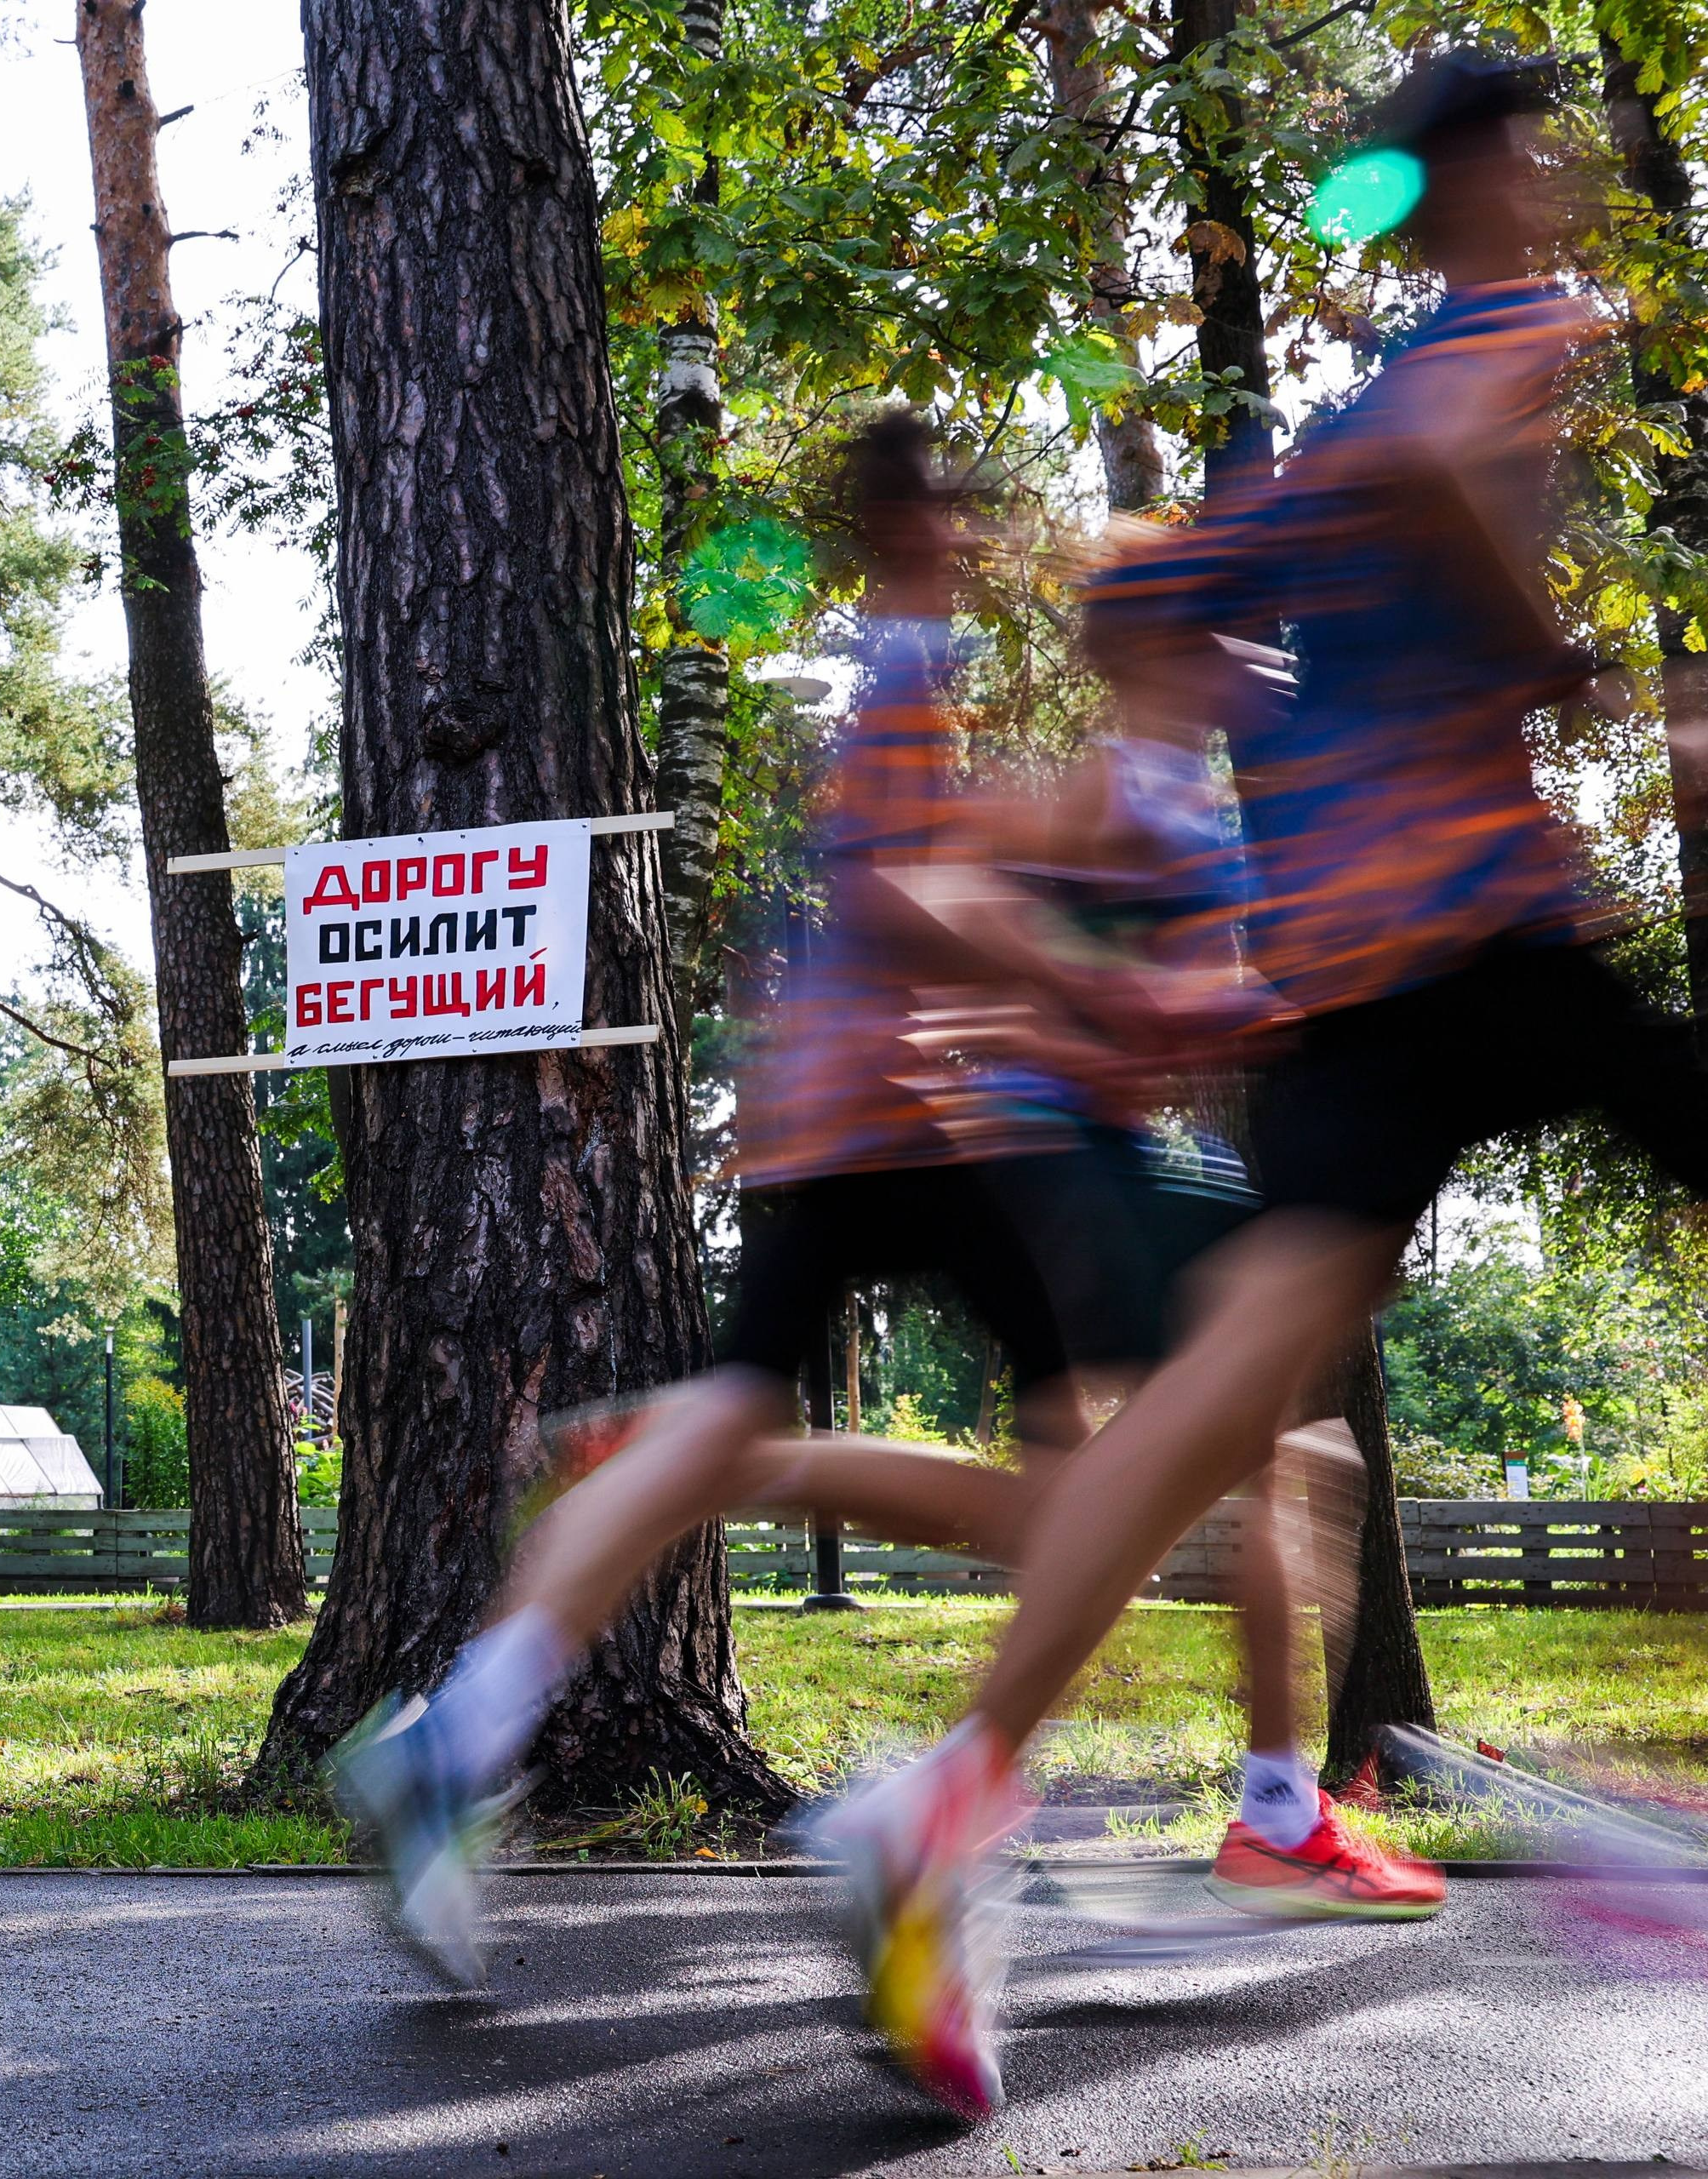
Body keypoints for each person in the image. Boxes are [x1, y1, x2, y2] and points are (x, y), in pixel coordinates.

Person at [823, 47, 1708, 2116]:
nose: (1569, 182)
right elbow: (1417, 478)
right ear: (1485, 175)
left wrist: (1242, 708)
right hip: (1479, 936)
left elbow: (1181, 590)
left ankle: (948, 1789)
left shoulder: (1330, 413)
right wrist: (1554, 654)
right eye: (1547, 149)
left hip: (1342, 980)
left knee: (1238, 1397)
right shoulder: (1502, 337)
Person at [330, 417, 1384, 2107]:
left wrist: (1130, 961)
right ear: (918, 519)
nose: (978, 537)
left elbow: (981, 862)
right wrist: (1124, 990)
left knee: (1011, 1487)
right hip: (908, 1120)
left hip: (895, 1119)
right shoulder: (904, 658)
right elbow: (909, 888)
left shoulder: (924, 666)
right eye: (960, 510)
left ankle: (496, 1726)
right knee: (1090, 1500)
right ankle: (937, 1831)